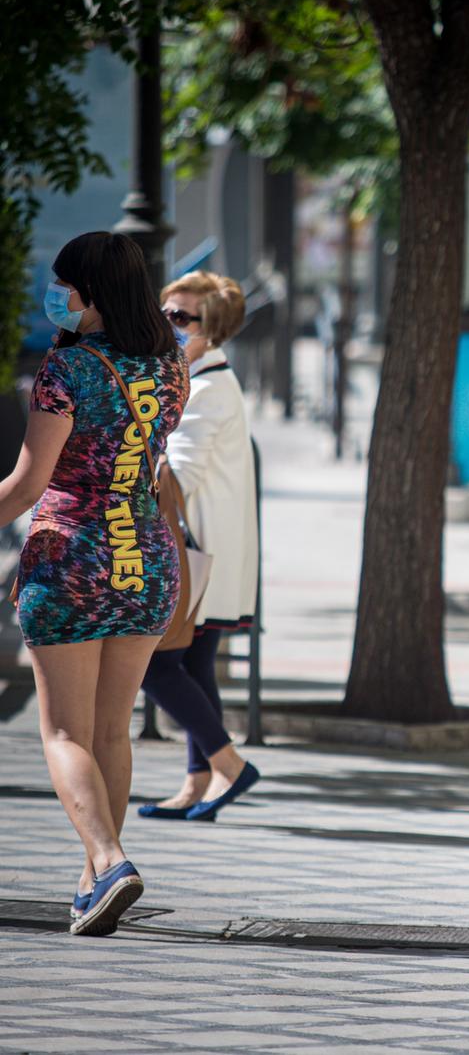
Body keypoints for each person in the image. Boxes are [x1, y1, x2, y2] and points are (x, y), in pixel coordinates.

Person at [0, 232, 189, 935]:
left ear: (90, 293)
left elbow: (25, 488)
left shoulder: (66, 370)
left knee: (62, 730)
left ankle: (109, 858)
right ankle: (92, 884)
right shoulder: (171, 365)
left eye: (63, 287)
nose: (56, 298)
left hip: (73, 557)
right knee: (113, 728)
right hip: (145, 558)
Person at [136, 271, 261, 822]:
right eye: (165, 312)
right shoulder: (192, 376)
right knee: (196, 663)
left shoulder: (207, 387)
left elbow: (176, 474)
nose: (169, 324)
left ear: (213, 330)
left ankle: (229, 765)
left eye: (182, 318)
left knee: (153, 665)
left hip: (194, 553)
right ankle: (198, 782)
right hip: (205, 551)